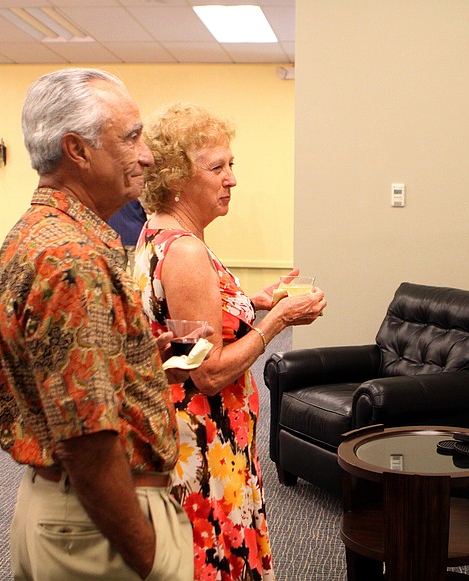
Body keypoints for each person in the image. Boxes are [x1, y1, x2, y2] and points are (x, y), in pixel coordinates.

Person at [0, 68, 194, 581]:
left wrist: (140, 362)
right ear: (76, 150)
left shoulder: (38, 232)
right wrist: (150, 558)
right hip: (98, 531)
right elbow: (87, 442)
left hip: (66, 514)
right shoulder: (73, 260)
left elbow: (57, 385)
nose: (146, 155)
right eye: (131, 137)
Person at [134, 103, 327, 580]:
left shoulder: (159, 234)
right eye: (217, 167)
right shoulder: (186, 252)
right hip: (203, 441)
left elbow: (183, 328)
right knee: (215, 559)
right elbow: (210, 371)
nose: (231, 179)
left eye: (231, 165)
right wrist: (276, 320)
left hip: (186, 434)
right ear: (178, 179)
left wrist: (252, 302)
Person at [108, 199, 148, 267]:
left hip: (114, 234)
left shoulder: (106, 191)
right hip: (135, 234)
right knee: (137, 273)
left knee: (118, 274)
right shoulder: (136, 190)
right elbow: (149, 209)